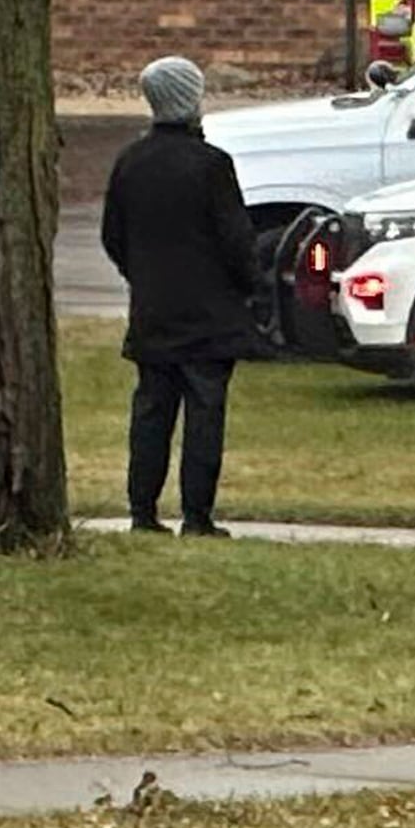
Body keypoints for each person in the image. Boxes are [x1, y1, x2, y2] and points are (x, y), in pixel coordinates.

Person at [100, 55, 270, 536]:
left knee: (151, 411)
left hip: (153, 308)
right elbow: (236, 240)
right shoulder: (211, 166)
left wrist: (141, 275)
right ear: (192, 99)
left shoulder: (130, 162)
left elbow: (113, 235)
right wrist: (252, 287)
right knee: (204, 414)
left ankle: (142, 511)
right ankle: (197, 515)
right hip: (210, 313)